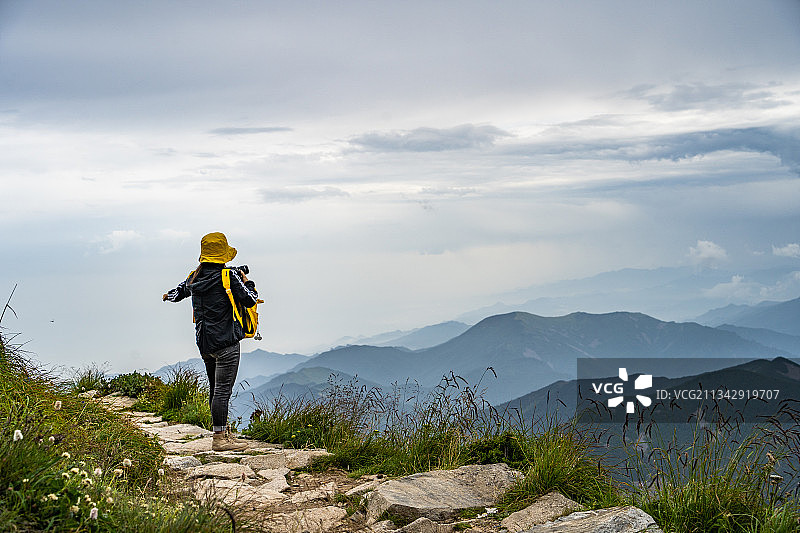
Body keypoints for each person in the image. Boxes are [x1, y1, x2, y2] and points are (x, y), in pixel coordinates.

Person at [162, 232, 259, 452]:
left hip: (205, 343)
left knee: (215, 389)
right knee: (223, 391)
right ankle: (220, 438)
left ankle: (222, 432)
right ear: (223, 255)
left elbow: (178, 292)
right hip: (226, 343)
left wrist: (168, 295)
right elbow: (250, 298)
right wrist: (247, 281)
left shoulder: (194, 277)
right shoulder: (229, 277)